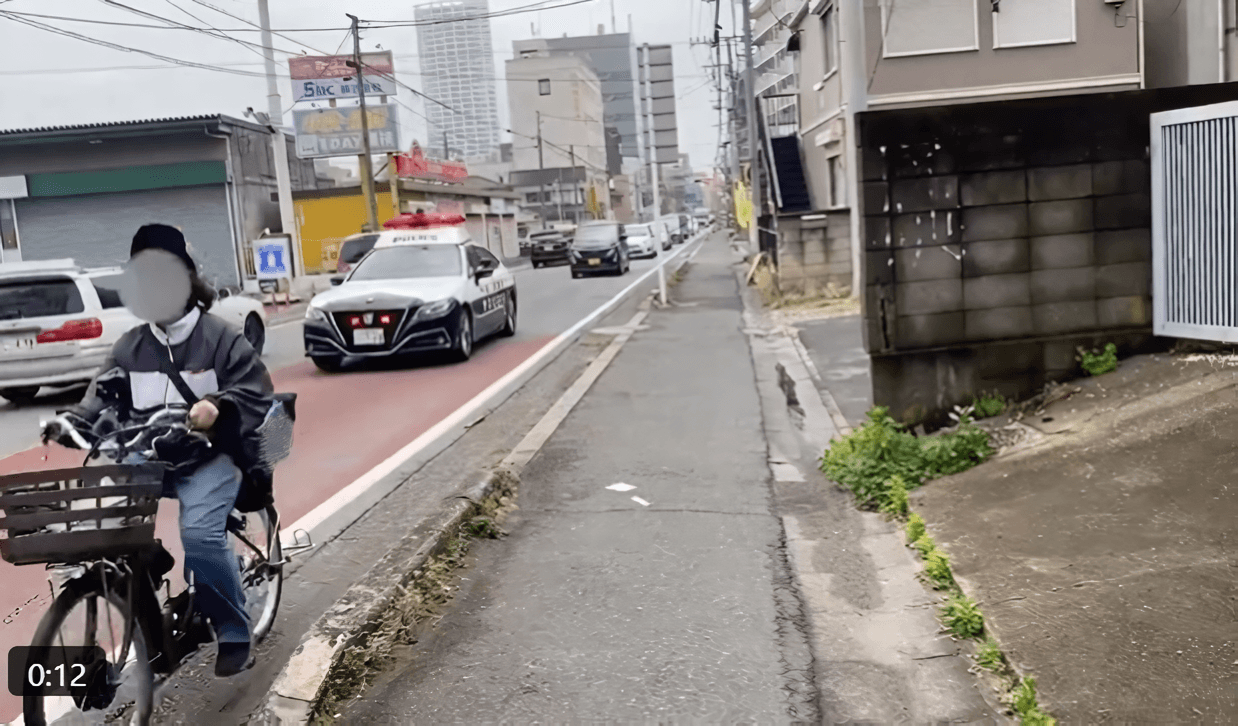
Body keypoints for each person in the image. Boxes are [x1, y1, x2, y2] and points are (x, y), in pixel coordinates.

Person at [44, 224, 275, 677]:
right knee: (104, 528)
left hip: (209, 457)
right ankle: (150, 574)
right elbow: (101, 395)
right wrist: (73, 419)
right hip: (147, 456)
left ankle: (233, 631)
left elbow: (255, 391)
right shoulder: (130, 346)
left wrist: (217, 406)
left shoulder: (221, 337)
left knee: (201, 537)